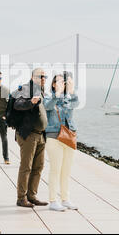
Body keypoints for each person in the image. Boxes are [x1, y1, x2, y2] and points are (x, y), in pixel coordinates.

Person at [12, 68, 49, 208]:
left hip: (40, 135)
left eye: (45, 76)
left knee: (38, 166)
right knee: (26, 166)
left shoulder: (41, 90)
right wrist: (31, 103)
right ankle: (21, 198)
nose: (44, 78)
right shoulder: (26, 89)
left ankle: (32, 195)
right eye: (41, 76)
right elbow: (17, 105)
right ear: (33, 77)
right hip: (28, 135)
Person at [43, 72, 79, 211]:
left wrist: (71, 91)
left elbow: (76, 103)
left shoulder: (69, 97)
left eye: (62, 82)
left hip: (69, 136)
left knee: (66, 170)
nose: (61, 84)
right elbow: (48, 107)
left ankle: (65, 199)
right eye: (57, 82)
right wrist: (56, 94)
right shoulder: (48, 96)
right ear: (52, 84)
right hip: (54, 136)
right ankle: (53, 200)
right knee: (55, 169)